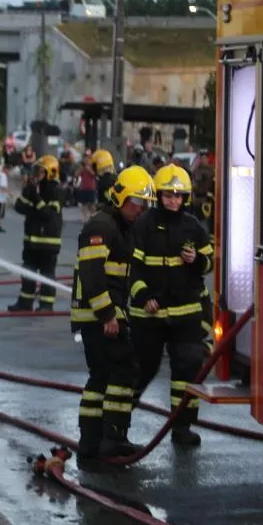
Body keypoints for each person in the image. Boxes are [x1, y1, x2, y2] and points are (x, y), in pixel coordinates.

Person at [71, 165, 155, 464]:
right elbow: (93, 276)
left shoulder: (119, 227)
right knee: (125, 370)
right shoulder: (102, 227)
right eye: (135, 202)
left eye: (143, 204)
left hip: (100, 315)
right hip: (99, 316)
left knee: (101, 376)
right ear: (120, 198)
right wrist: (107, 315)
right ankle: (114, 438)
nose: (139, 209)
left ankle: (91, 441)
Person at [127, 164, 215, 447]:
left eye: (178, 195)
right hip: (149, 316)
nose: (173, 200)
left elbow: (210, 262)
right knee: (141, 369)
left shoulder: (194, 227)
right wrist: (143, 297)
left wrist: (198, 261)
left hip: (186, 314)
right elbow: (134, 268)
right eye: (168, 195)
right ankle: (116, 426)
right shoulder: (143, 225)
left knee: (186, 371)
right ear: (159, 195)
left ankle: (183, 427)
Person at [7, 155, 64, 312]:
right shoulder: (34, 189)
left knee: (47, 275)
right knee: (28, 273)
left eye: (40, 172)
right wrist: (28, 192)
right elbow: (19, 208)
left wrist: (36, 198)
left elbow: (49, 215)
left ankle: (46, 304)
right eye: (36, 171)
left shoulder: (56, 191)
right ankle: (25, 303)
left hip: (48, 244)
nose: (36, 175)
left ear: (50, 172)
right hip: (31, 242)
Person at [74, 156, 97, 224]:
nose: (86, 162)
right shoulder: (82, 169)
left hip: (91, 188)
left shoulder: (92, 167)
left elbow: (94, 175)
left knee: (91, 204)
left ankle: (94, 216)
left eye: (87, 161)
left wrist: (89, 169)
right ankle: (85, 218)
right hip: (84, 188)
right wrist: (81, 169)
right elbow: (76, 175)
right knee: (84, 204)